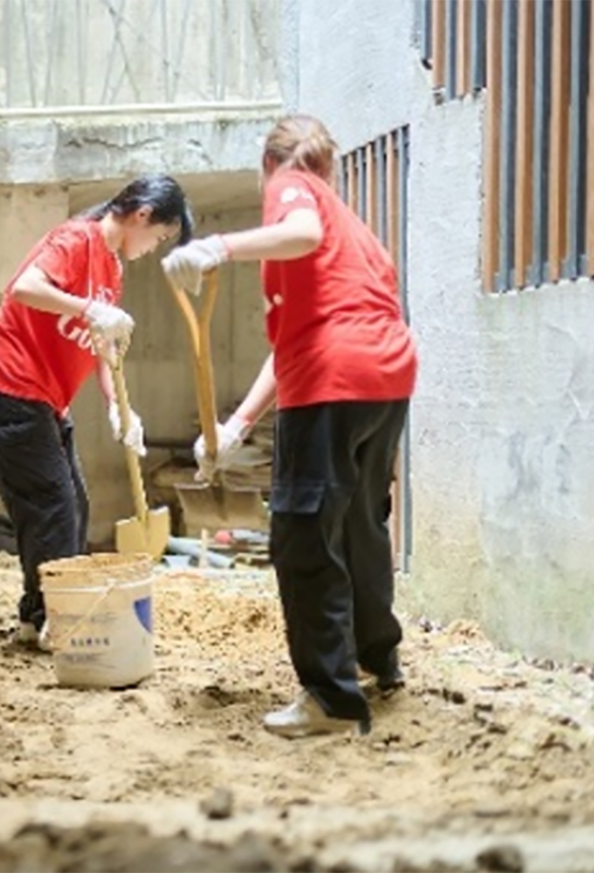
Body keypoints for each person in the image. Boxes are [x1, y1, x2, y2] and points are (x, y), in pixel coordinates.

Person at [162, 115, 418, 738]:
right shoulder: (353, 229)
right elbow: (293, 345)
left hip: (332, 379)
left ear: (267, 163)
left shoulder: (292, 186)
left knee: (303, 534)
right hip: (385, 376)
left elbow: (300, 233)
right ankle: (376, 656)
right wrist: (238, 424)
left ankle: (331, 698)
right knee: (358, 523)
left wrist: (218, 246)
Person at [0, 175, 194, 649]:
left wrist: (119, 409)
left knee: (74, 505)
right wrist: (90, 308)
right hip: (11, 385)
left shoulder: (111, 268)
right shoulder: (76, 240)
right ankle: (57, 618)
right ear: (142, 215)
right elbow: (25, 287)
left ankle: (37, 617)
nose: (152, 248)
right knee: (53, 505)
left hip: (49, 398)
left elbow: (102, 348)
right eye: (158, 237)